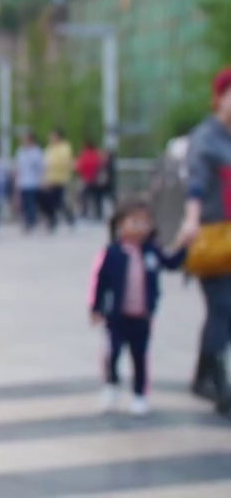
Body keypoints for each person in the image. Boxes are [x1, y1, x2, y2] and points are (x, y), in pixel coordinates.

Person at [89, 198, 186, 416]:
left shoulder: (152, 251)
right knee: (112, 353)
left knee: (140, 357)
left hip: (141, 316)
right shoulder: (112, 253)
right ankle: (111, 386)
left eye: (145, 223)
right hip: (117, 316)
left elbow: (171, 264)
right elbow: (101, 282)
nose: (140, 228)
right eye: (134, 222)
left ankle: (140, 394)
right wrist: (96, 307)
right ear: (120, 224)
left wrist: (184, 246)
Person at [177, 66, 231, 417]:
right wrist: (192, 220)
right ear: (219, 97)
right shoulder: (206, 138)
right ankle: (211, 376)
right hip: (213, 236)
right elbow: (195, 183)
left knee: (225, 309)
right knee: (223, 306)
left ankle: (204, 373)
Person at [41, 128, 76, 231]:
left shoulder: (64, 148)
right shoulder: (50, 148)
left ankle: (68, 217)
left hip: (60, 179)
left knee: (59, 201)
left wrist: (52, 166)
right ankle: (52, 220)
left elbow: (64, 162)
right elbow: (45, 163)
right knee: (51, 201)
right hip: (50, 179)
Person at [14, 131, 44, 233]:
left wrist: (41, 180)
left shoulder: (36, 152)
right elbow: (19, 168)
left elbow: (40, 168)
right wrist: (17, 182)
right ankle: (27, 221)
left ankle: (31, 222)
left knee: (31, 203)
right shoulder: (21, 152)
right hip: (23, 182)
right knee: (24, 204)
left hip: (33, 182)